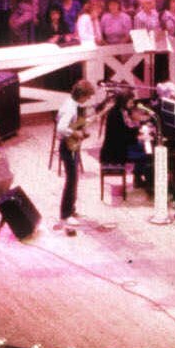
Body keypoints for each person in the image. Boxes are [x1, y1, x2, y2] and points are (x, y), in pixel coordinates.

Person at [57, 79, 102, 233]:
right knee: (71, 180)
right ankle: (65, 213)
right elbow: (61, 127)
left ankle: (71, 209)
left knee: (74, 179)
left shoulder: (72, 104)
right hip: (67, 147)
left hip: (71, 146)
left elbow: (76, 123)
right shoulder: (70, 108)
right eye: (87, 96)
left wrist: (86, 123)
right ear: (81, 95)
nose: (88, 99)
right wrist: (75, 132)